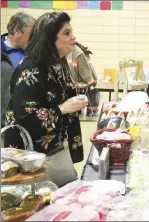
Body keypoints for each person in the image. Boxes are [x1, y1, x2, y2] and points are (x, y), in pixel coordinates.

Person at [3, 12, 88, 187]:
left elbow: (59, 96)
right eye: (66, 33)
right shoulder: (30, 69)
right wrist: (62, 109)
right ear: (50, 39)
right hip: (32, 160)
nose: (73, 37)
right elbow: (24, 116)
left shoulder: (59, 63)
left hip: (55, 151)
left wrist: (74, 102)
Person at [1, 12, 35, 129]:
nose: (33, 39)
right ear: (17, 31)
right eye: (30, 35)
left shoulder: (32, 54)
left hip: (23, 123)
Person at [67, 42, 99, 116]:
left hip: (79, 82)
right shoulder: (76, 51)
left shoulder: (77, 52)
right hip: (78, 82)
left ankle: (89, 111)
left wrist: (90, 80)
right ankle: (89, 111)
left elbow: (84, 69)